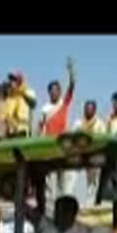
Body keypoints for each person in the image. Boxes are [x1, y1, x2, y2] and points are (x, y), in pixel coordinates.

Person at [39, 57, 78, 213]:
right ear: (49, 92)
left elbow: (72, 86)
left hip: (63, 148)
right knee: (50, 184)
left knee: (64, 184)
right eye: (52, 90)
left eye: (57, 90)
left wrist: (71, 71)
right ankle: (50, 213)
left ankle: (63, 212)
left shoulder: (63, 103)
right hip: (49, 149)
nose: (55, 92)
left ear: (60, 92)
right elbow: (39, 128)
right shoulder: (45, 108)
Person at [73, 99, 107, 205]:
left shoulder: (100, 124)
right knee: (75, 179)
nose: (88, 111)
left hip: (94, 156)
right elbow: (73, 137)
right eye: (86, 108)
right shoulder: (78, 123)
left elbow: (103, 139)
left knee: (93, 182)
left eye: (91, 109)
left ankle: (92, 204)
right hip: (81, 155)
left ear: (94, 110)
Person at [3, 71, 37, 138]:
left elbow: (33, 104)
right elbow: (6, 114)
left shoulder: (28, 91)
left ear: (20, 80)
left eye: (14, 79)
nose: (12, 82)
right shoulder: (9, 97)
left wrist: (22, 92)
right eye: (11, 79)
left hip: (23, 129)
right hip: (11, 131)